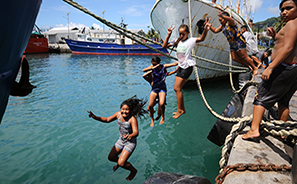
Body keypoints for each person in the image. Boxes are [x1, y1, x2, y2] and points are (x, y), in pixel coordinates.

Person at [242, 0, 297, 140]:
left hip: (283, 68)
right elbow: (287, 44)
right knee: (283, 100)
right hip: (292, 68)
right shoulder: (293, 24)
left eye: (289, 8)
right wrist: (275, 36)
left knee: (261, 96)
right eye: (282, 9)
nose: (284, 12)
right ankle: (282, 131)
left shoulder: (291, 24)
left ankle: (254, 129)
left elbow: (288, 48)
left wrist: (270, 67)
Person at [87, 96, 147, 181]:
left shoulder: (132, 119)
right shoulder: (118, 114)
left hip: (130, 142)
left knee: (121, 163)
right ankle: (120, 163)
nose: (124, 111)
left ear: (130, 110)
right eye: (123, 109)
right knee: (111, 157)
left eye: (127, 109)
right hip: (121, 140)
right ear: (120, 109)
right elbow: (107, 119)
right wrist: (95, 117)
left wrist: (130, 136)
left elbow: (136, 132)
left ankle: (133, 171)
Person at [162, 19, 211, 119]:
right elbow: (164, 46)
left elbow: (201, 39)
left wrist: (206, 30)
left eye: (183, 34)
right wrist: (168, 34)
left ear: (187, 33)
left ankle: (180, 110)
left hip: (187, 67)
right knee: (176, 89)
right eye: (180, 34)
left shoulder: (190, 40)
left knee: (177, 88)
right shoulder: (177, 41)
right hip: (181, 67)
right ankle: (181, 109)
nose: (181, 36)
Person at [142, 56, 178, 127]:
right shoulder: (152, 67)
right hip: (155, 88)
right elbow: (144, 70)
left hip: (162, 87)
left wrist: (182, 61)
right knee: (150, 105)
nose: (154, 65)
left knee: (161, 103)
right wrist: (152, 68)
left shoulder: (163, 66)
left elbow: (174, 64)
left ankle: (162, 117)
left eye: (155, 64)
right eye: (153, 64)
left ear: (159, 62)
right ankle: (152, 120)